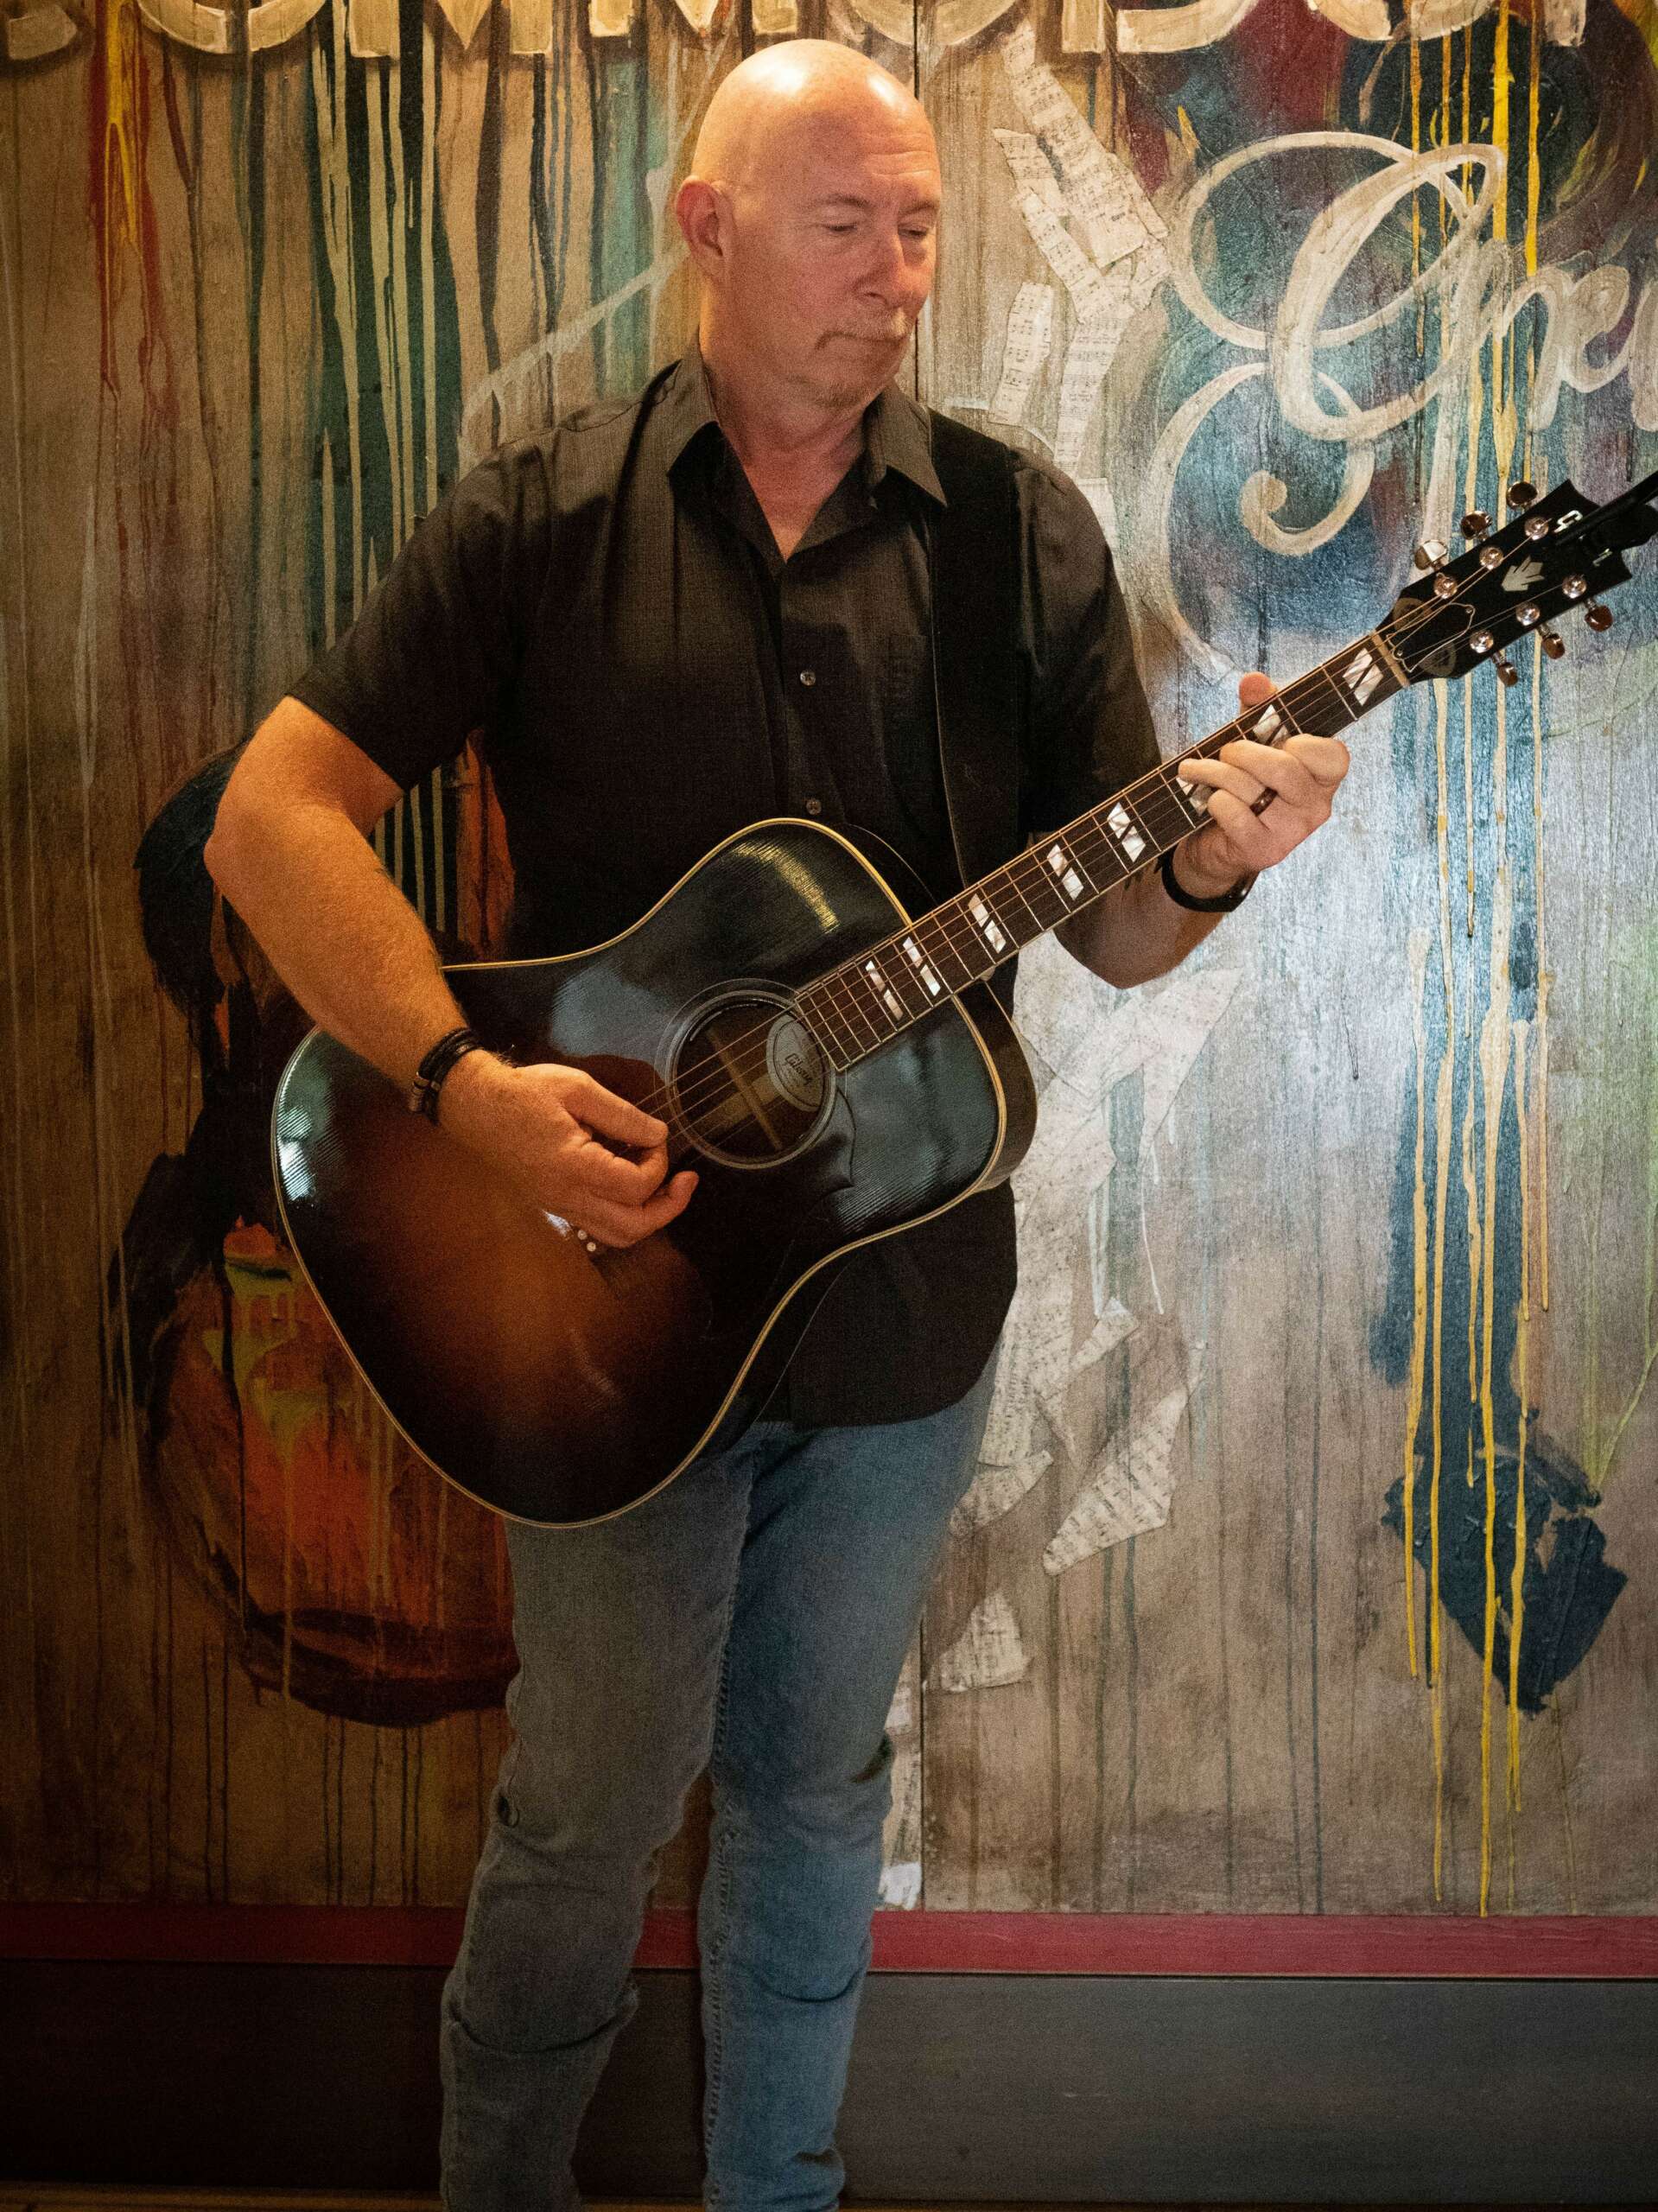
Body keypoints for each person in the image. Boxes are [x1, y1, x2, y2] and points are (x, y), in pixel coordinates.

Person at [205, 38, 1349, 2212]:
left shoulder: (1018, 532)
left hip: (901, 1301)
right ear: (707, 230)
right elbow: (275, 818)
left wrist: (1214, 858)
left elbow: (1112, 935)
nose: (898, 276)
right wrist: (466, 1091)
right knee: (587, 1803)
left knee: (819, 1789)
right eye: (847, 227)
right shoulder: (539, 517)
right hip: (589, 1294)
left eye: (919, 229)